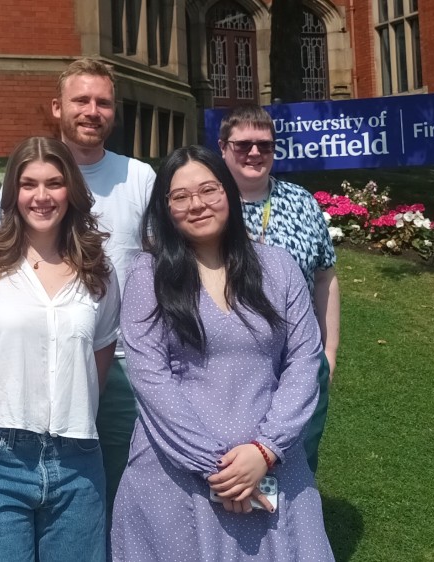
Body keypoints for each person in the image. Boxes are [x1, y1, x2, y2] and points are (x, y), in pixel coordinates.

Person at [111, 145, 333, 561]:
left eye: (209, 189)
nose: (197, 204)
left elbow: (305, 360)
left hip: (273, 466)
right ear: (165, 208)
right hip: (176, 476)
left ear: (229, 192)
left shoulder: (278, 268)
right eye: (180, 196)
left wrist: (265, 451)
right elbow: (150, 376)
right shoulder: (148, 274)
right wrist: (220, 470)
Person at [0, 137, 120, 562]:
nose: (41, 197)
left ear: (71, 191)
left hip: (77, 459)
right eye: (28, 184)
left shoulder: (98, 270)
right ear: (12, 194)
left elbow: (99, 358)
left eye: (54, 183)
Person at [0, 59, 155, 517]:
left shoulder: (139, 177)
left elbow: (166, 265)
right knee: (49, 487)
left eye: (103, 102)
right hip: (40, 358)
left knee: (125, 488)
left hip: (124, 364)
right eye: (81, 100)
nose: (92, 110)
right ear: (56, 108)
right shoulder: (29, 176)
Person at [218, 104, 340, 473]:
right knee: (233, 464)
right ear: (223, 148)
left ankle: (295, 530)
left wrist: (329, 352)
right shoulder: (207, 203)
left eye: (265, 145)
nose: (255, 153)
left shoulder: (301, 202)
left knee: (296, 463)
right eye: (243, 145)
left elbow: (325, 276)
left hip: (298, 360)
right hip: (227, 363)